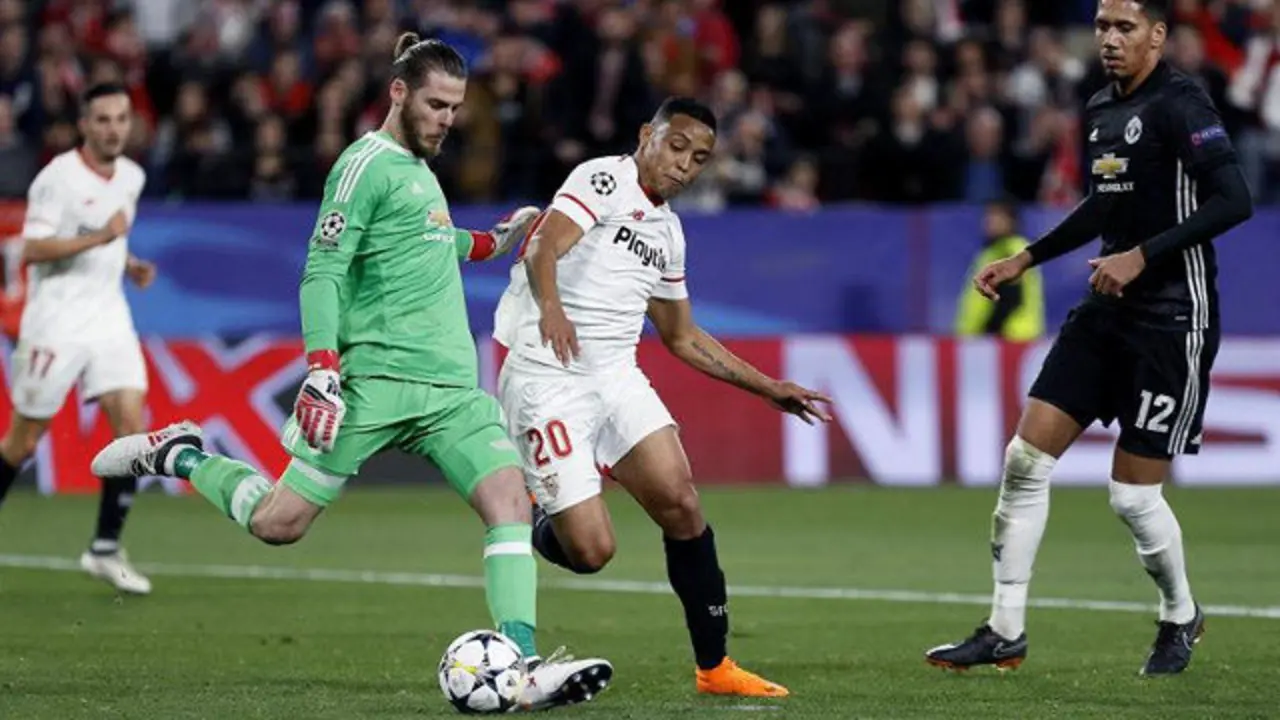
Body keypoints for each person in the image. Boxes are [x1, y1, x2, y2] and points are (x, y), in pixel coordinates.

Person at [91, 34, 611, 711]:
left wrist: (490, 241)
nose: (447, 119)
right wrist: (322, 369)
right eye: (435, 104)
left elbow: (425, 240)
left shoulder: (422, 172)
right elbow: (324, 268)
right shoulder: (363, 166)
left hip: (451, 389)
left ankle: (521, 663)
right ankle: (181, 454)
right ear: (398, 93)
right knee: (280, 523)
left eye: (455, 107)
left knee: (509, 504)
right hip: (372, 385)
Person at [926, 0, 1253, 676]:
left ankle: (1180, 615)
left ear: (1158, 36)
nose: (1109, 39)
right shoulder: (1101, 108)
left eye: (1125, 27)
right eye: (1102, 26)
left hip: (1172, 317)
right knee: (1024, 458)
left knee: (1132, 497)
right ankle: (1004, 629)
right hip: (1104, 314)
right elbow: (1102, 206)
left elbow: (1234, 199)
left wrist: (1143, 254)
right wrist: (1027, 257)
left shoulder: (1182, 103)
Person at [493, 96, 833, 697]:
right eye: (676, 147)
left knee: (681, 503)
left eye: (698, 158)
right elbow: (545, 245)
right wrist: (552, 308)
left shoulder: (669, 234)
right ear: (647, 135)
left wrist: (768, 388)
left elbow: (681, 337)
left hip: (615, 376)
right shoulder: (603, 177)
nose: (684, 165)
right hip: (548, 375)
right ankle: (543, 510)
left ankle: (715, 669)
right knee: (592, 552)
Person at [0, 83, 158, 595]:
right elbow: (32, 249)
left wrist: (127, 262)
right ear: (84, 126)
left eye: (121, 119)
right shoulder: (57, 179)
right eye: (103, 120)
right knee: (23, 441)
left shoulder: (131, 176)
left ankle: (105, 549)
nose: (114, 129)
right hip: (55, 322)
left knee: (131, 429)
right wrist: (101, 238)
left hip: (109, 316)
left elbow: (114, 238)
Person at [954, 199, 1046, 341]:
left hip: (1011, 338)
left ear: (1011, 221)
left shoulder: (1013, 252)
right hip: (984, 340)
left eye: (997, 216)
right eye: (988, 215)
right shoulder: (991, 251)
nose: (989, 221)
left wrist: (987, 332)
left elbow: (1010, 299)